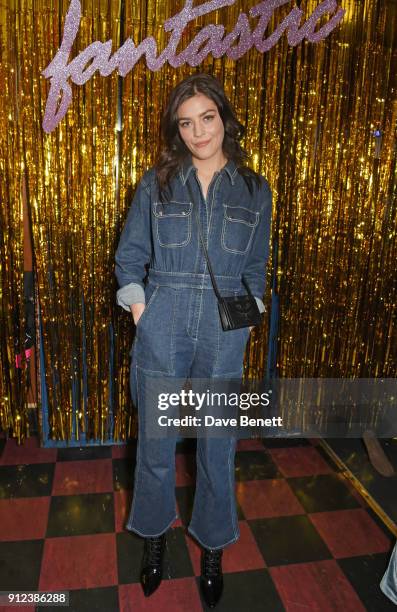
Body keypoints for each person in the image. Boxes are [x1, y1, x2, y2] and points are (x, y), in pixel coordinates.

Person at [115, 72, 272, 608]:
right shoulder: (156, 182)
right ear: (176, 129)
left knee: (217, 445)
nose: (197, 132)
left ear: (224, 118)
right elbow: (130, 256)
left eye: (207, 118)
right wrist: (143, 311)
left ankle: (211, 545)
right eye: (185, 123)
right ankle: (155, 535)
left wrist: (250, 311)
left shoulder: (255, 189)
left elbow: (256, 268)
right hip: (164, 318)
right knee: (157, 442)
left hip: (224, 327)